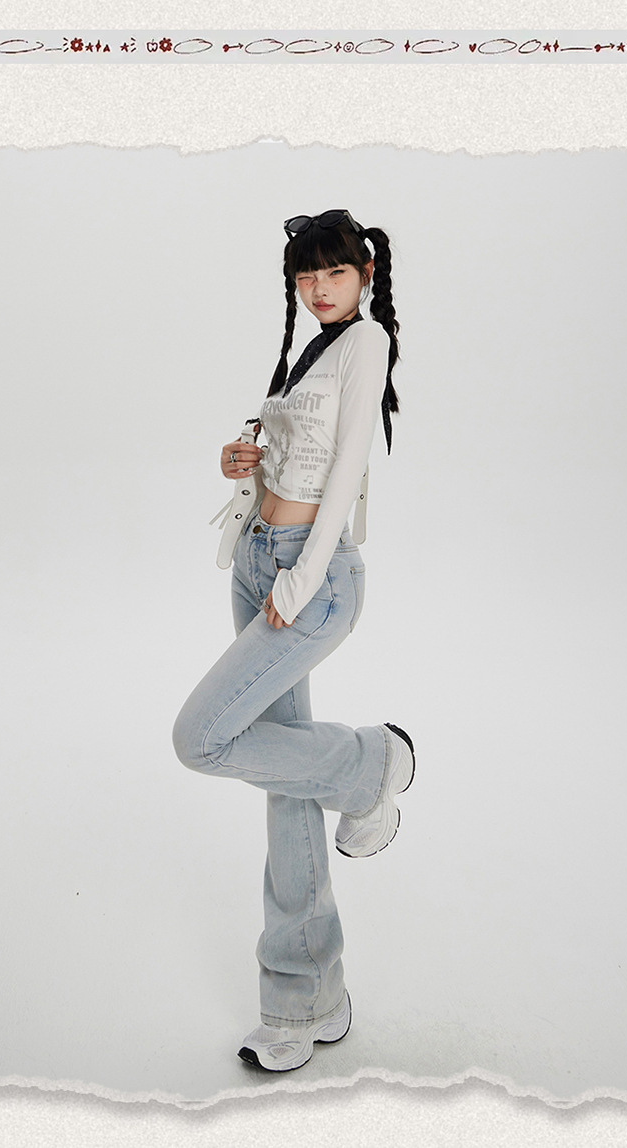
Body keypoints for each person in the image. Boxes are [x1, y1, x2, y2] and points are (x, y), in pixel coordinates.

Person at [172, 208, 415, 1072]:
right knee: (284, 789)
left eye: (334, 272)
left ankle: (373, 763)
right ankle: (307, 1001)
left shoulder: (366, 342)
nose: (318, 288)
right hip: (256, 557)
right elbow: (292, 451)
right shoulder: (313, 349)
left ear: (365, 275)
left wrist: (301, 580)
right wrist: (242, 458)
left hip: (305, 576)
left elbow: (346, 465)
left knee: (202, 739)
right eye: (306, 276)